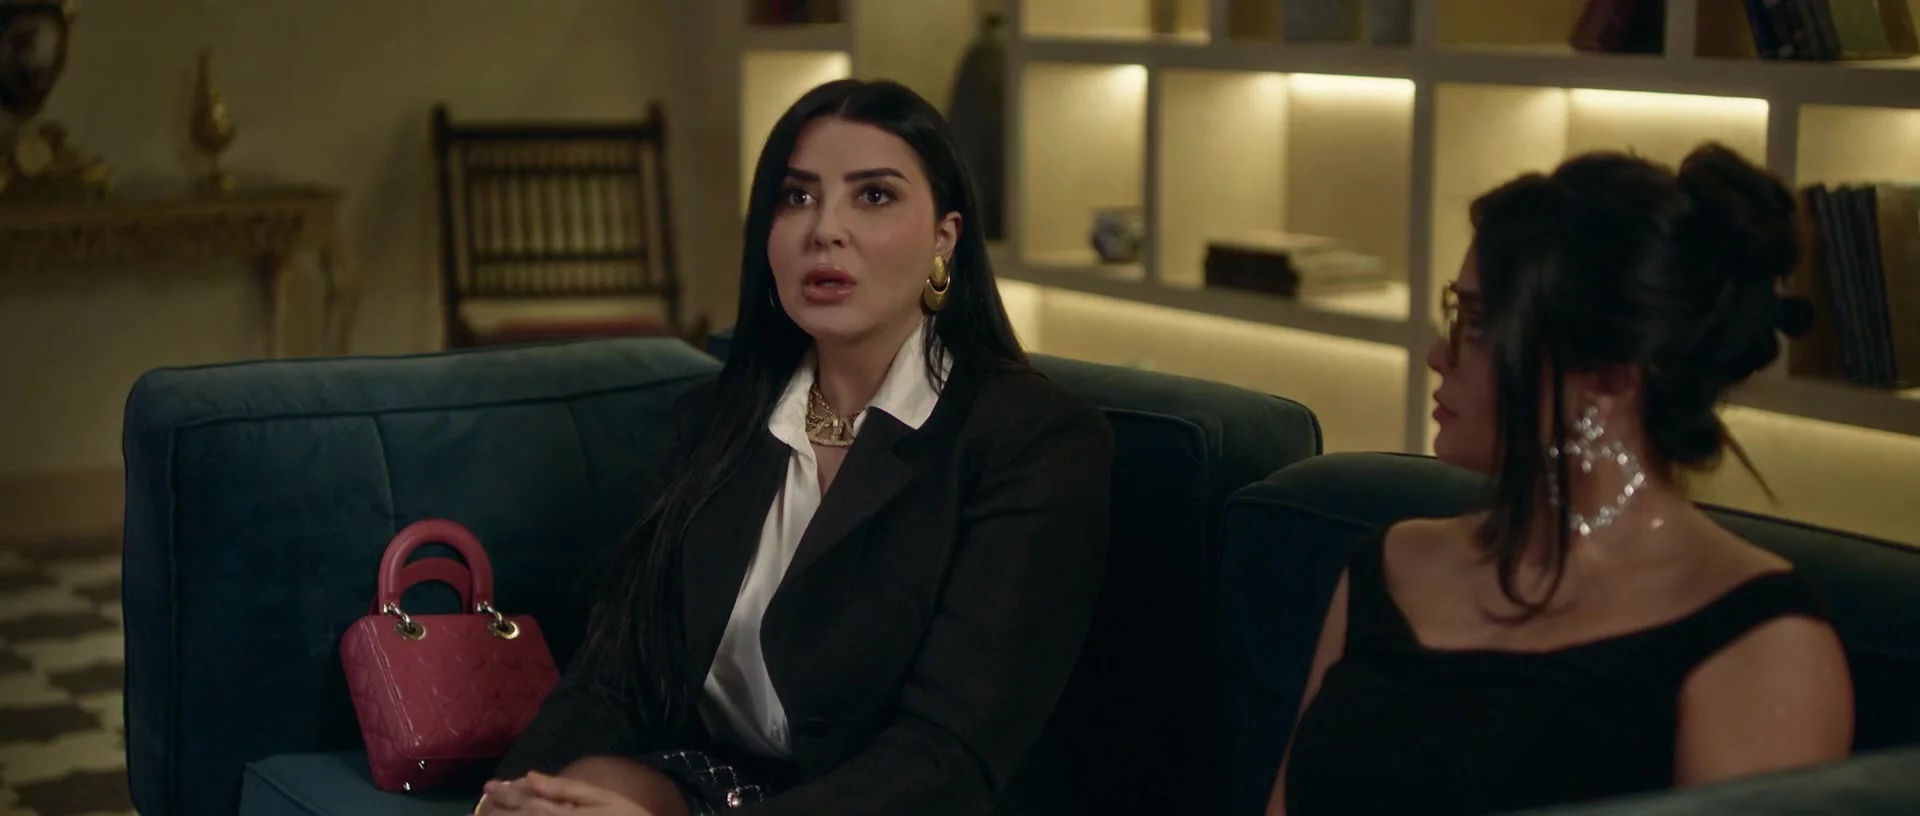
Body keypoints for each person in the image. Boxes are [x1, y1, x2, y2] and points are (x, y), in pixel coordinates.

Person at [473, 78, 1114, 816]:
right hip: (726, 784)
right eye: (797, 196)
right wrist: (504, 801)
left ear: (945, 238)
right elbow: (615, 679)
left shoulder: (1035, 442)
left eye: (873, 196)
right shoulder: (715, 421)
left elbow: (946, 758)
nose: (824, 230)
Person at [1270, 143, 1854, 815]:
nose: (1438, 355)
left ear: (1609, 382)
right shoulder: (1386, 567)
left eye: (1479, 325)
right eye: (1457, 317)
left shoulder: (1761, 644)